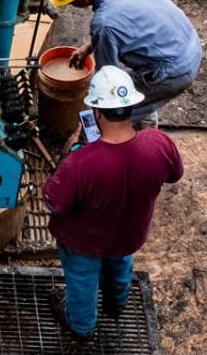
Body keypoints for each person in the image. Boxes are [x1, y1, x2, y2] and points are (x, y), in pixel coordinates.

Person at [43, 65, 185, 339]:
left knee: (82, 281)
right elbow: (175, 175)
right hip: (128, 235)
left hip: (84, 242)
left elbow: (54, 202)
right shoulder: (159, 143)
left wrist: (71, 150)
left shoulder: (81, 162)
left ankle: (82, 326)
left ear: (96, 112)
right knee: (120, 266)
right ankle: (116, 304)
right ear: (132, 106)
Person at [46, 0, 203, 123]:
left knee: (113, 115)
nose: (71, 5)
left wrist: (89, 122)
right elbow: (130, 21)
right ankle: (144, 121)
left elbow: (109, 80)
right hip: (189, 44)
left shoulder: (104, 24)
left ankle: (138, 142)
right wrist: (91, 45)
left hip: (174, 70)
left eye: (71, 1)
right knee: (137, 98)